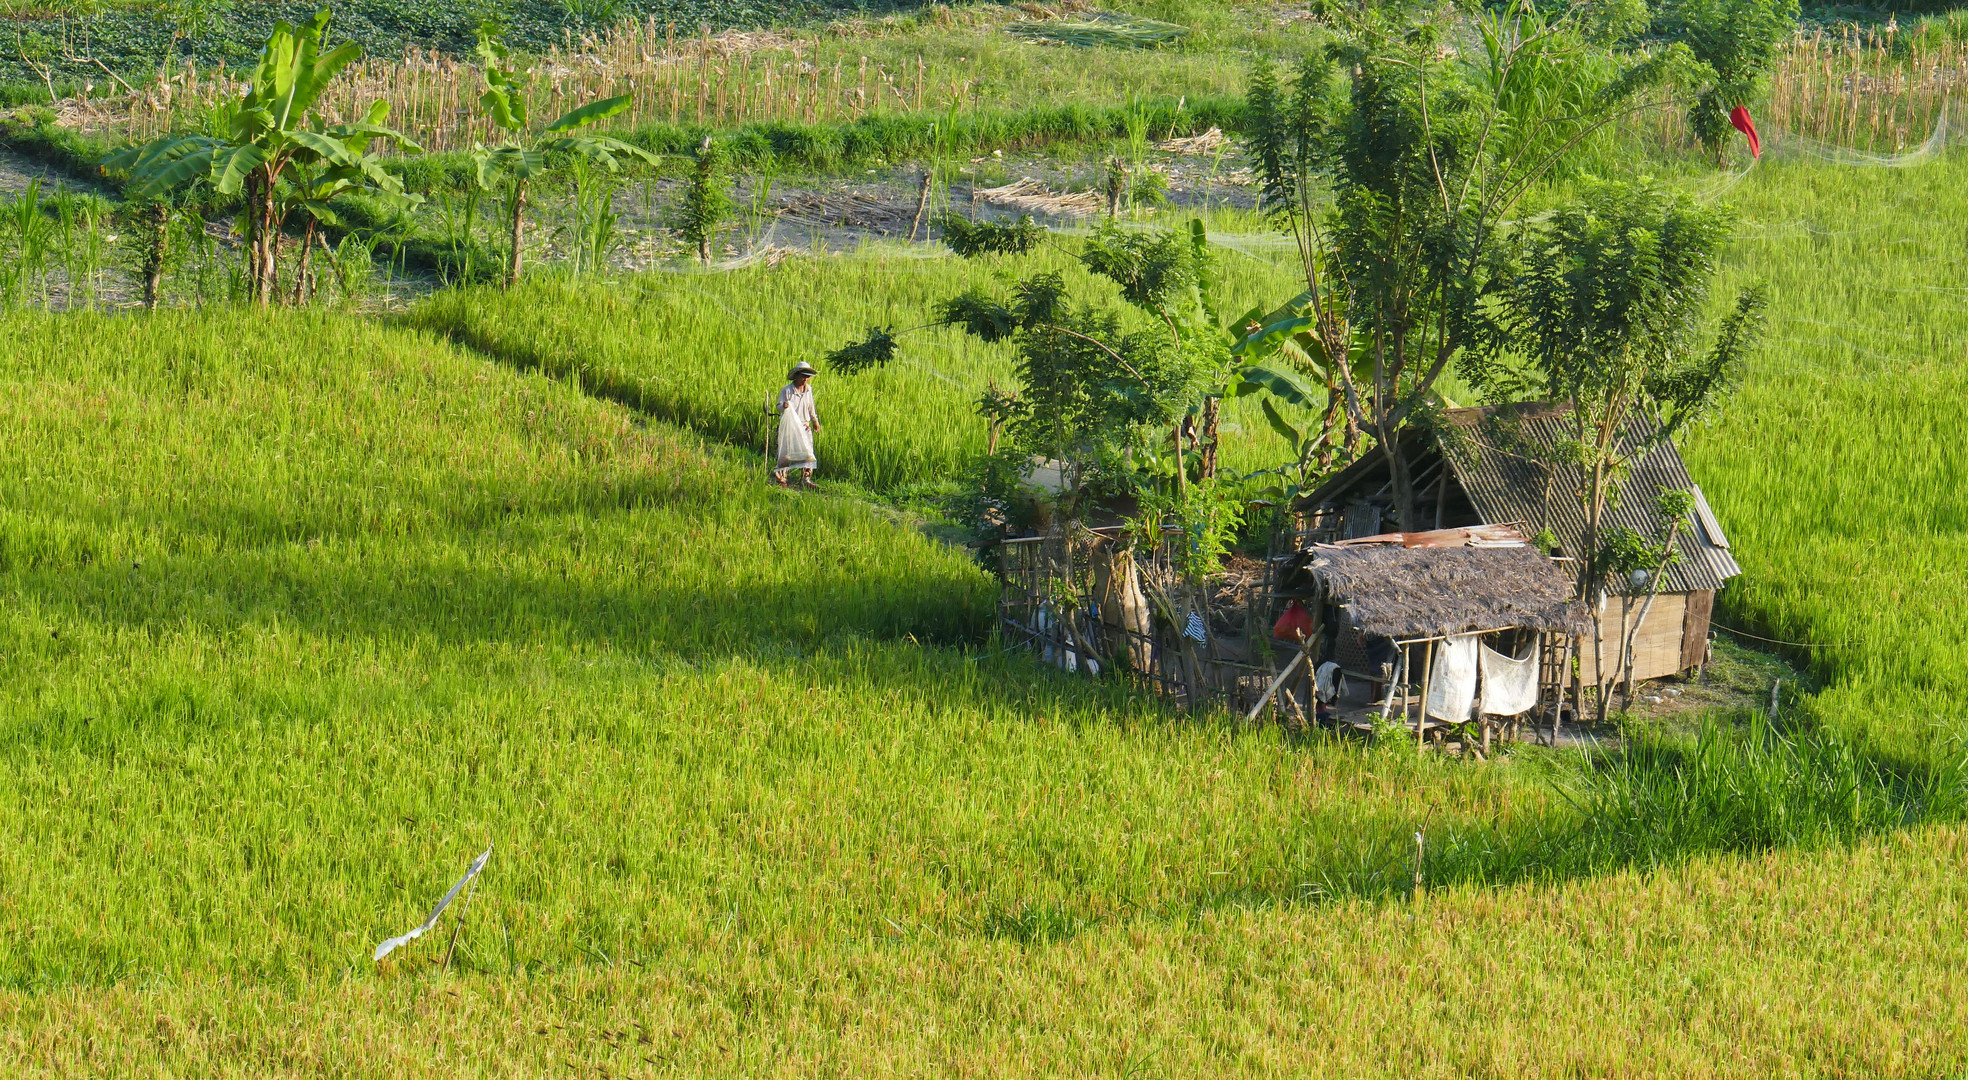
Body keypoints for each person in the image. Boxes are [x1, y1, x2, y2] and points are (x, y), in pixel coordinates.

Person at [770, 361, 821, 487]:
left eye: (808, 377)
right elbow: (778, 406)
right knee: (786, 453)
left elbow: (811, 408)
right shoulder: (787, 390)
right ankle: (782, 478)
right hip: (790, 427)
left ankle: (805, 479)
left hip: (804, 426)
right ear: (797, 376)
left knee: (807, 453)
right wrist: (784, 406)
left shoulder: (809, 390)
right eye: (803, 376)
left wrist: (815, 422)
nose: (805, 379)